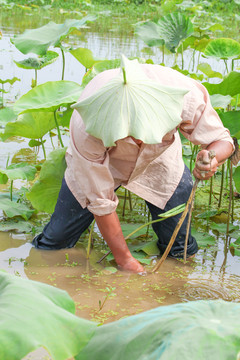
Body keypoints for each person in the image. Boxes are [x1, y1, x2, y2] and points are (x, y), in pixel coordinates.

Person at [32, 58, 234, 273]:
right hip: (105, 163)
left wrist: (211, 157)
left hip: (160, 161)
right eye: (131, 133)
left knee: (179, 247)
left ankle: (180, 269)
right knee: (54, 242)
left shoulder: (182, 94)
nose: (139, 141)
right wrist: (125, 261)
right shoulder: (87, 125)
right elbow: (101, 203)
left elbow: (222, 140)